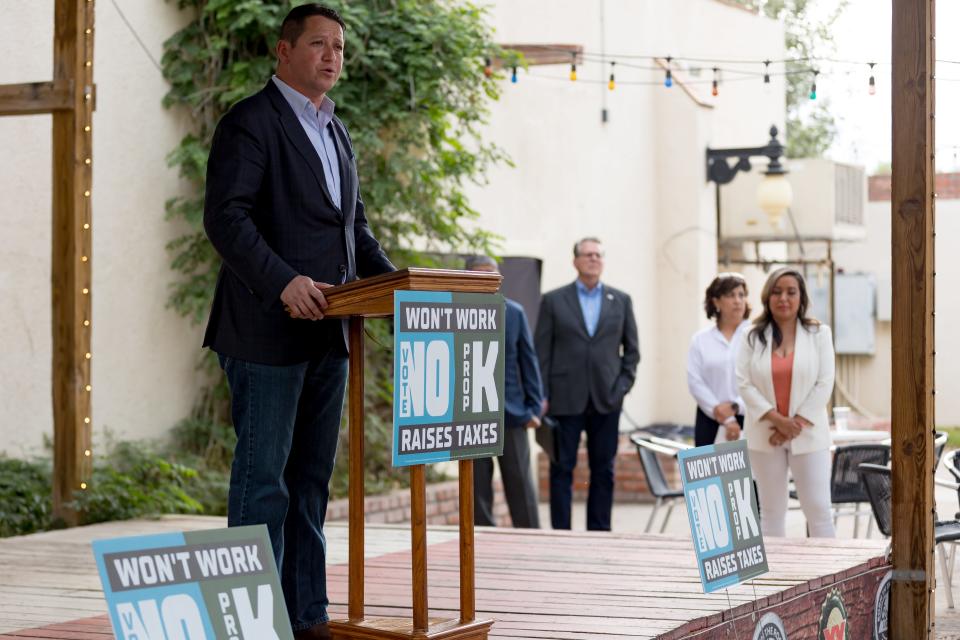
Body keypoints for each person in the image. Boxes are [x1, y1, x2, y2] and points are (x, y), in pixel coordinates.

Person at [202, 5, 395, 638]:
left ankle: (306, 618)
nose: (333, 55)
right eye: (319, 43)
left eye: (339, 45)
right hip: (264, 334)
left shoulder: (336, 131)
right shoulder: (250, 123)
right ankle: (249, 623)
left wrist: (400, 285)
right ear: (283, 51)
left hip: (330, 334)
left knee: (311, 485)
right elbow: (227, 219)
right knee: (264, 486)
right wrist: (284, 281)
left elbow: (354, 229)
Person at [535, 237, 640, 531]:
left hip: (607, 399)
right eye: (587, 254)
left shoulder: (621, 300)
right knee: (561, 469)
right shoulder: (553, 300)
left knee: (603, 470)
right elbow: (541, 353)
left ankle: (599, 532)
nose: (593, 259)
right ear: (575, 261)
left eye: (598, 255)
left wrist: (621, 388)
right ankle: (561, 533)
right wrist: (542, 395)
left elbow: (632, 352)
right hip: (564, 399)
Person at [736, 267, 836, 538]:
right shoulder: (751, 336)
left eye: (791, 292)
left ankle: (832, 578)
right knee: (770, 512)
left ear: (801, 297)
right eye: (777, 292)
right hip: (765, 435)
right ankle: (774, 579)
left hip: (809, 435)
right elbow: (743, 382)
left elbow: (825, 382)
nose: (783, 298)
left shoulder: (819, 334)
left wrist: (795, 424)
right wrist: (778, 421)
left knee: (819, 511)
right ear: (767, 297)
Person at [465, 255, 543, 528]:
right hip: (470, 417)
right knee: (476, 492)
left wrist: (534, 409)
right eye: (479, 274)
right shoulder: (454, 314)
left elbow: (528, 363)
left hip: (512, 414)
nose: (487, 279)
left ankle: (531, 539)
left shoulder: (515, 312)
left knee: (521, 485)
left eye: (492, 274)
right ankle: (481, 541)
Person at [687, 273, 751, 446]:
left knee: (749, 473)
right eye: (730, 295)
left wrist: (735, 407)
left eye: (741, 295)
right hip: (709, 419)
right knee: (708, 473)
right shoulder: (700, 339)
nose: (738, 301)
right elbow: (695, 382)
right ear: (716, 301)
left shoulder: (756, 336)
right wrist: (726, 418)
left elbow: (761, 381)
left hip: (749, 419)